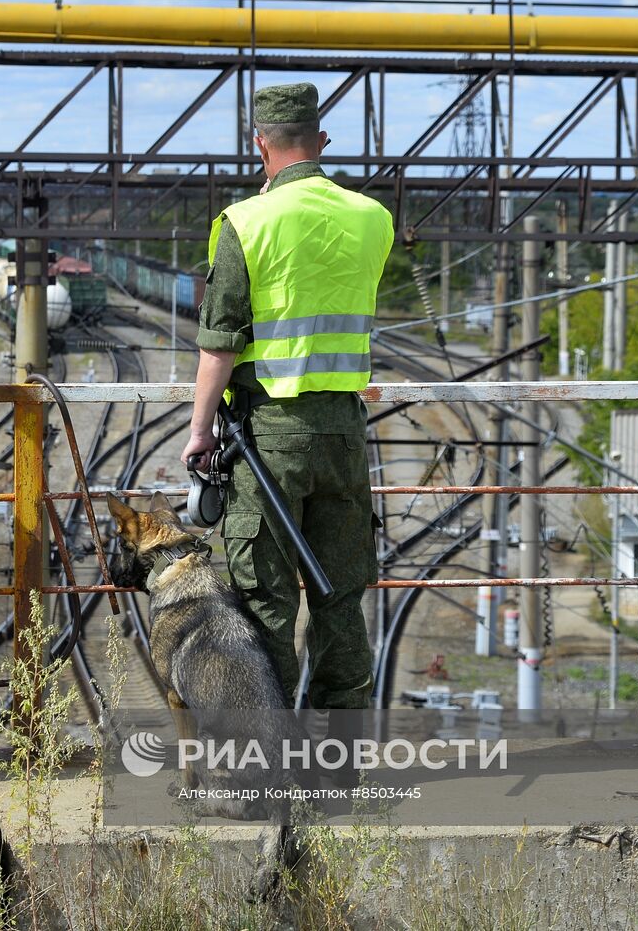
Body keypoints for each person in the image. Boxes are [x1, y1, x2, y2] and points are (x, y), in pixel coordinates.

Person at [179, 83, 392, 779]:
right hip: (344, 431)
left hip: (268, 434)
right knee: (340, 595)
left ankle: (262, 764)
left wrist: (199, 430)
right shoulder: (372, 218)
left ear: (259, 143)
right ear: (321, 142)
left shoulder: (245, 221)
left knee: (266, 599)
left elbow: (222, 341)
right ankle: (339, 764)